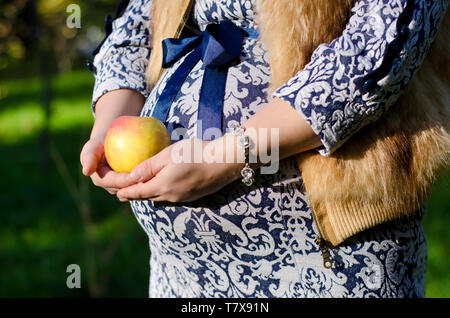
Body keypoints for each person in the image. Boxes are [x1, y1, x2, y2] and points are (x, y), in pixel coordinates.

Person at [80, 0, 449, 297]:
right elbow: (131, 31)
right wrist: (109, 128)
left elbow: (380, 48)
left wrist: (225, 157)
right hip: (181, 271)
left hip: (329, 261)